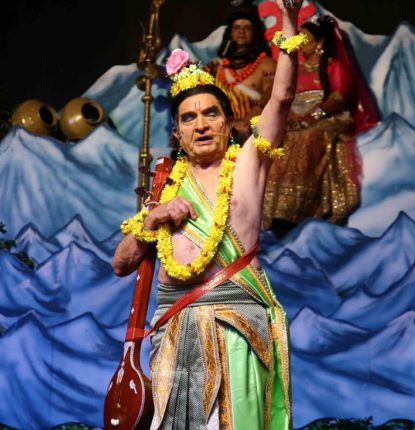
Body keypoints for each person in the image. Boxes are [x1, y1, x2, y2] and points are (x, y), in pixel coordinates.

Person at [112, 2, 305, 429]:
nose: (200, 124)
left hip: (235, 328)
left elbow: (282, 98)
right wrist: (153, 219)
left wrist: (290, 24)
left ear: (228, 123)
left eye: (210, 113)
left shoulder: (249, 163)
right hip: (173, 334)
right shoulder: (164, 185)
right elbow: (121, 264)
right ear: (177, 132)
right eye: (189, 117)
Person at [262, 15, 380, 235]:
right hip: (298, 118)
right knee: (277, 139)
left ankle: (299, 209)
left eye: (306, 38)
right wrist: (291, 118)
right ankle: (274, 210)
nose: (301, 43)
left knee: (307, 137)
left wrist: (312, 116)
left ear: (320, 42)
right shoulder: (295, 69)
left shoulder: (335, 67)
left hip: (328, 118)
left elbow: (338, 98)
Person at [205, 7, 277, 138]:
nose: (241, 32)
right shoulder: (216, 67)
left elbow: (272, 90)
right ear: (230, 33)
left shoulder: (266, 63)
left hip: (254, 130)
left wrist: (259, 108)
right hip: (220, 131)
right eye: (237, 27)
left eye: (247, 28)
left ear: (255, 33)